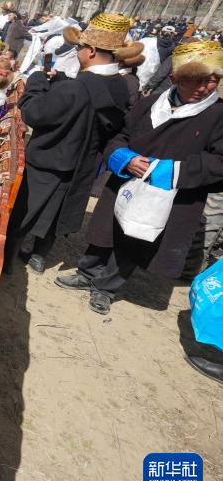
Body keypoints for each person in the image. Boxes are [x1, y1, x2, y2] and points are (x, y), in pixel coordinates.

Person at [56, 39, 223, 314]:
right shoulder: (152, 103)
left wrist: (171, 171)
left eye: (211, 81)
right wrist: (124, 158)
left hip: (172, 191)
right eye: (194, 81)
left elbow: (219, 162)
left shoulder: (218, 115)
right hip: (128, 179)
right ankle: (87, 272)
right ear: (174, 79)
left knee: (136, 239)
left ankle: (106, 287)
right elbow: (120, 135)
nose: (203, 88)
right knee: (106, 229)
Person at [9, 13, 139, 273]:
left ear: (91, 51)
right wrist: (61, 82)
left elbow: (35, 112)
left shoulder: (76, 89)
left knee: (25, 212)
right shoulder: (120, 85)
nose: (78, 51)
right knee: (58, 209)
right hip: (83, 161)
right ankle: (39, 255)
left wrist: (36, 82)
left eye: (80, 47)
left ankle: (7, 259)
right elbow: (90, 96)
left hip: (49, 159)